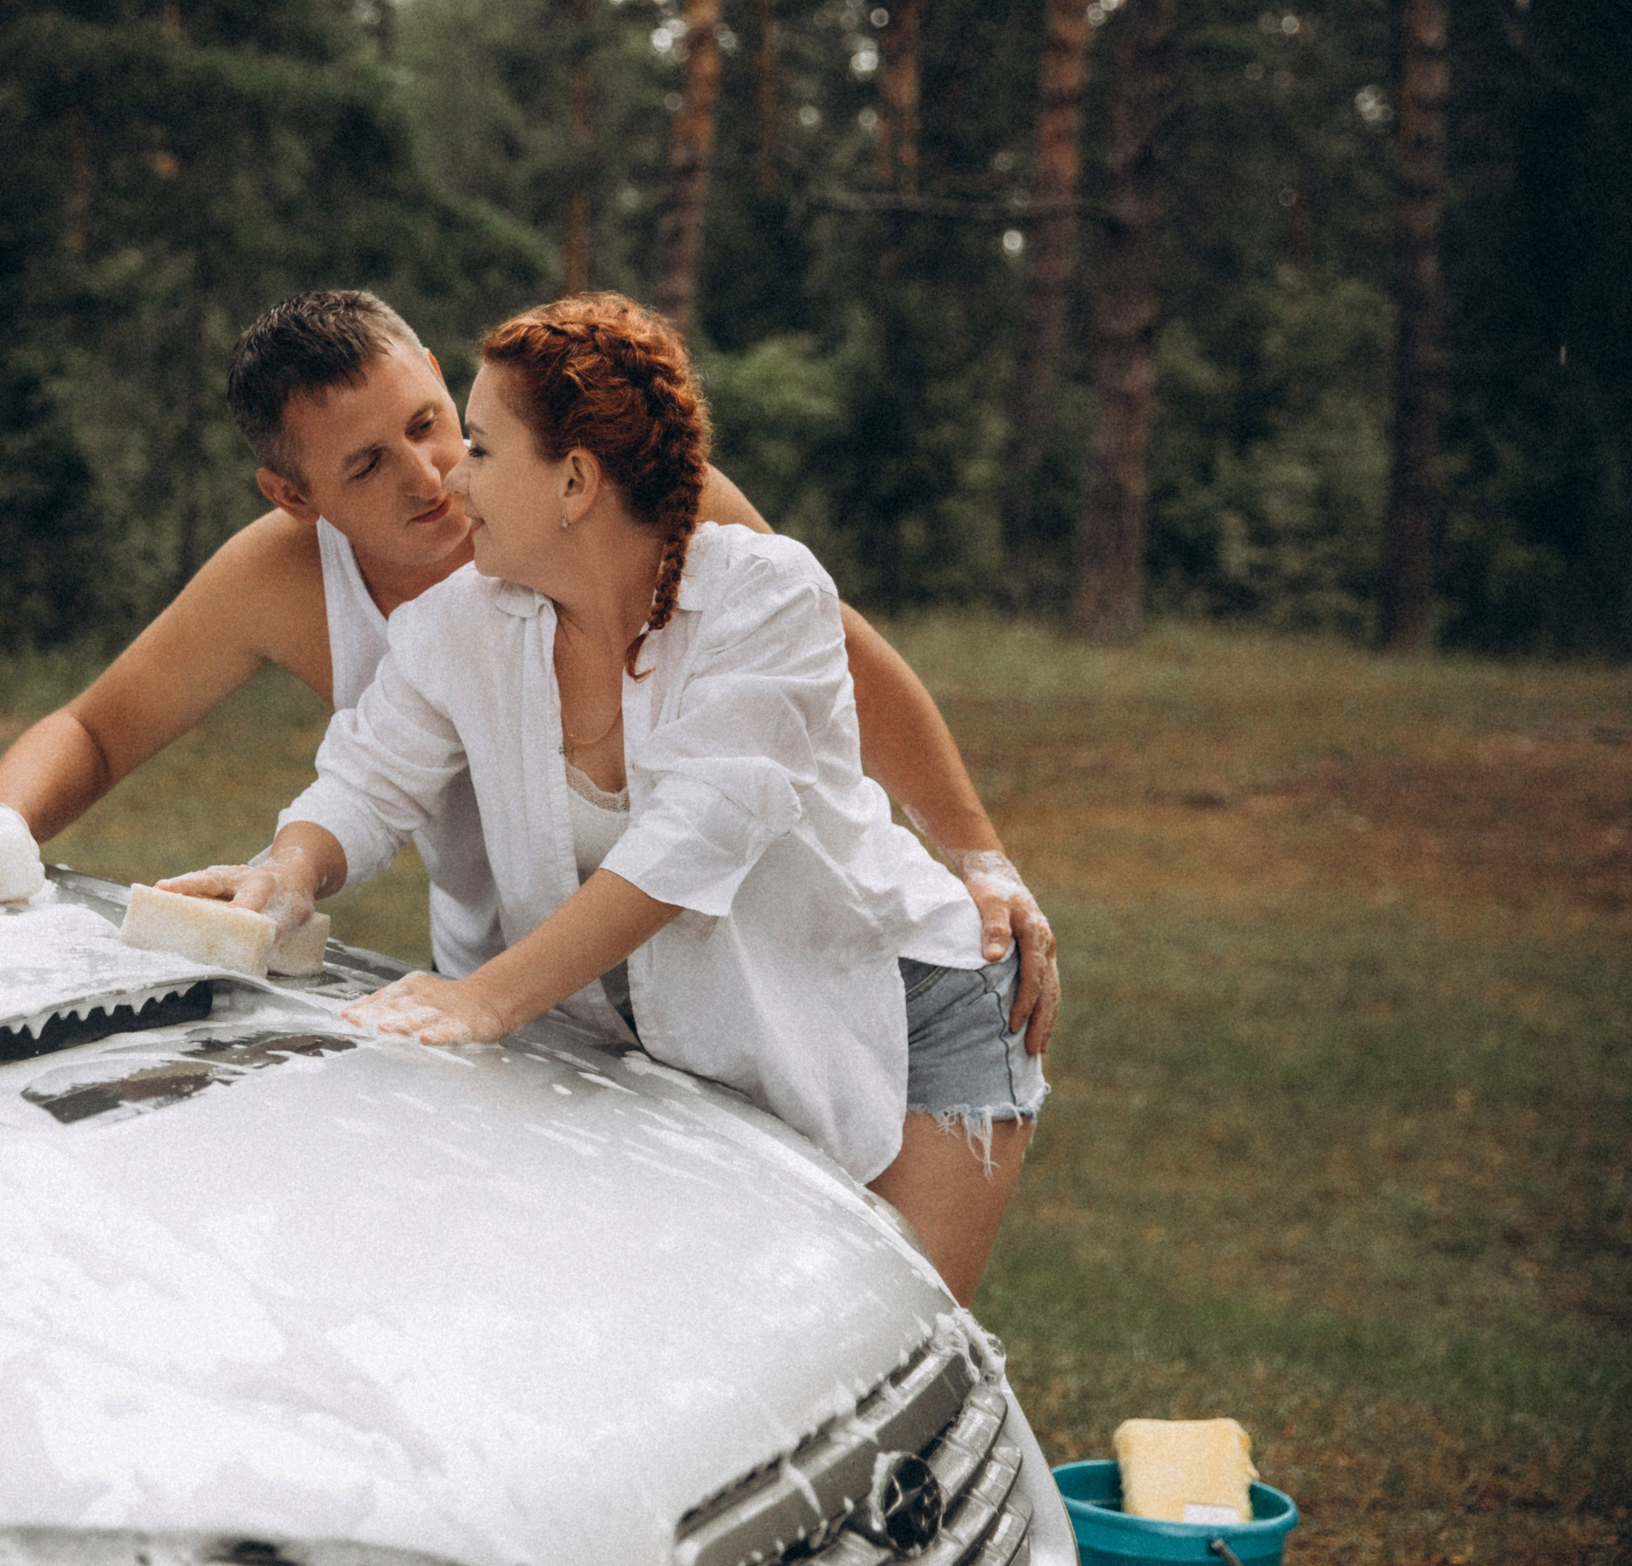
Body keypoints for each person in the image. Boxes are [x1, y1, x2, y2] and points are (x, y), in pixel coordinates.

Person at [157, 294, 1042, 1302]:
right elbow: (365, 779)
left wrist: (481, 999)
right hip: (704, 1037)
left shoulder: (766, 599)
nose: (451, 475)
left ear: (573, 480)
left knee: (889, 1354)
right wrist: (287, 871)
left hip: (906, 1003)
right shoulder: (463, 624)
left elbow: (688, 844)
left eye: (477, 448)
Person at [0, 288, 1056, 1050]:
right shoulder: (289, 583)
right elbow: (99, 731)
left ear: (442, 380)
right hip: (516, 989)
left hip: (740, 976)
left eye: (434, 425)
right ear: (296, 498)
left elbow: (835, 654)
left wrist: (980, 854)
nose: (431, 478)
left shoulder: (620, 495)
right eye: (365, 466)